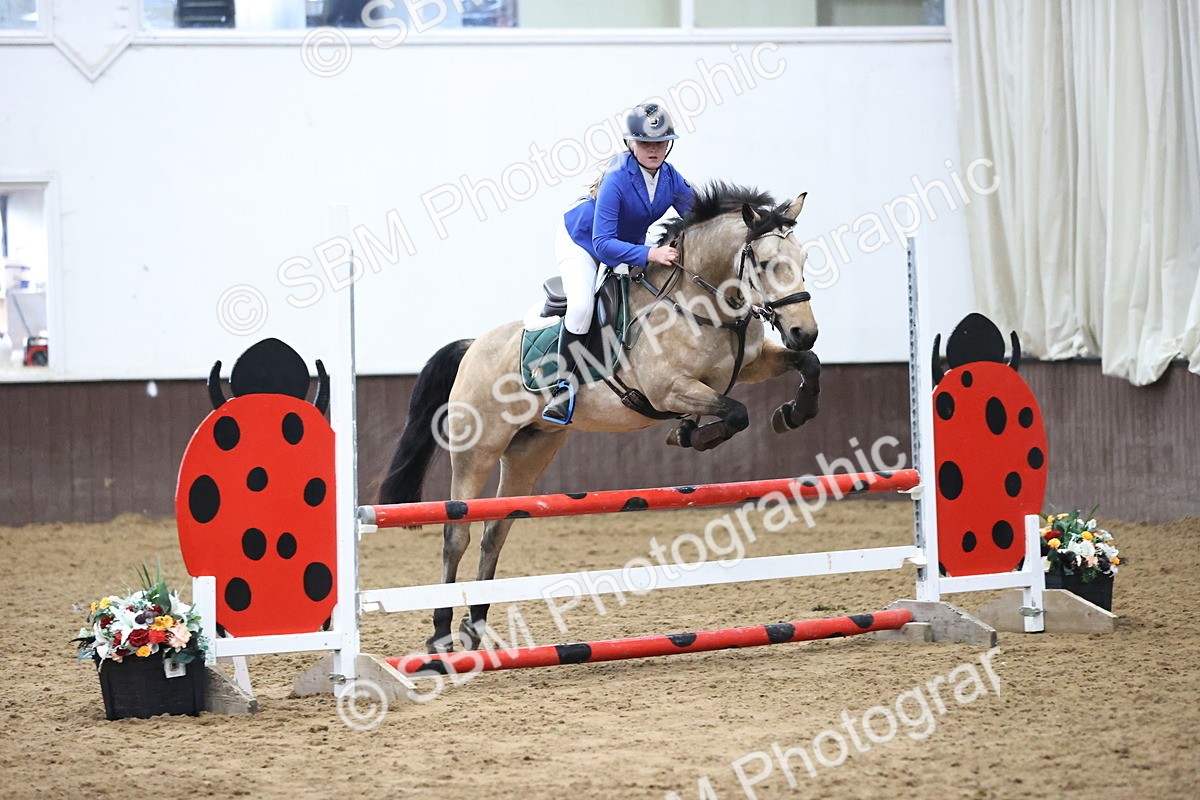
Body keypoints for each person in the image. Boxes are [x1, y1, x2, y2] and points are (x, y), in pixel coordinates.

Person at [542, 102, 696, 424]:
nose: (654, 149)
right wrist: (651, 254)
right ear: (631, 144)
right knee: (583, 306)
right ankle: (562, 387)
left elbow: (698, 217)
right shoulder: (616, 177)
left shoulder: (670, 178)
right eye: (645, 142)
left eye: (660, 142)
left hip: (623, 245)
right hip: (583, 241)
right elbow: (602, 244)